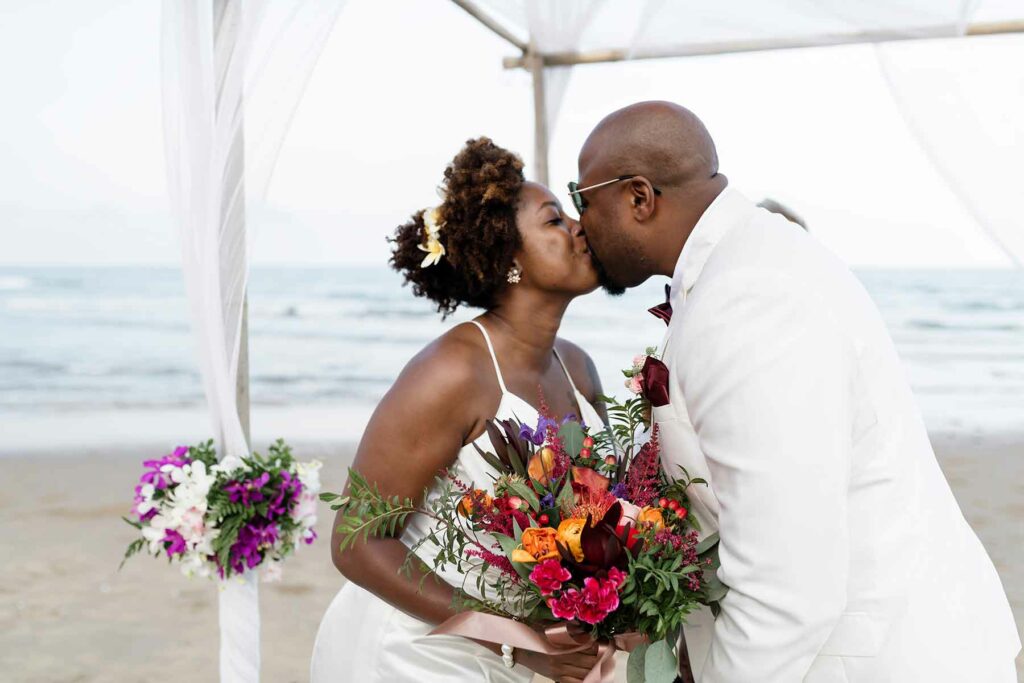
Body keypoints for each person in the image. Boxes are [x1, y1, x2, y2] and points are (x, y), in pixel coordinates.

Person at [572, 101, 1020, 681]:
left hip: (872, 659)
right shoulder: (743, 265)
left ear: (639, 197)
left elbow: (786, 589)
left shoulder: (749, 296)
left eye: (583, 199)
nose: (580, 222)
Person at [311, 137, 605, 683]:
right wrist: (516, 640)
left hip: (536, 653)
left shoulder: (580, 369)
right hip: (418, 653)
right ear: (509, 259)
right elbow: (356, 542)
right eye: (554, 221)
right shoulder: (453, 372)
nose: (578, 227)